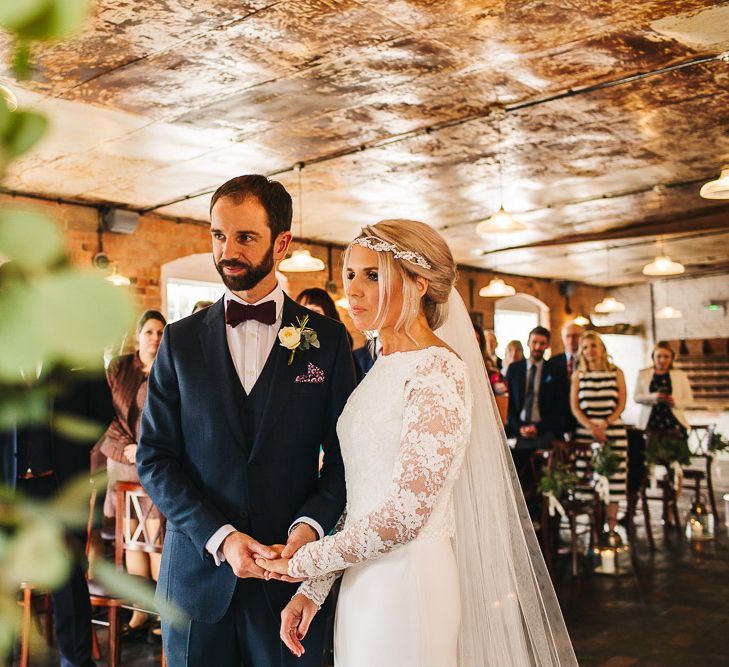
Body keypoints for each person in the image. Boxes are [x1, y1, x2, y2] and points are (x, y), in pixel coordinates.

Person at [257, 220, 576, 666]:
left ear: (418, 283)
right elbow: (364, 497)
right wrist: (314, 588)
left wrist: (301, 563)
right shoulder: (381, 366)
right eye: (350, 274)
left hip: (409, 583)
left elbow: (407, 513)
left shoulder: (437, 372)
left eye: (373, 275)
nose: (355, 290)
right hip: (362, 582)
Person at [136, 174, 356, 667]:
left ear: (282, 243)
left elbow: (347, 462)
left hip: (289, 585)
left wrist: (308, 529)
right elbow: (154, 458)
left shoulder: (326, 340)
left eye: (245, 237)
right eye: (218, 235)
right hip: (195, 581)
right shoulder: (179, 341)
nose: (227, 250)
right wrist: (221, 537)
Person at [1, 368, 114, 667]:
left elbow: (103, 410)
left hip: (60, 485)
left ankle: (75, 660)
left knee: (68, 576)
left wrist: (72, 451)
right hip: (9, 490)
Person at [96, 309, 166, 635]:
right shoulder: (118, 368)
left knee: (155, 541)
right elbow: (104, 412)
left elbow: (171, 420)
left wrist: (144, 450)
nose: (155, 338)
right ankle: (140, 611)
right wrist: (127, 445)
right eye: (149, 331)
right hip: (122, 466)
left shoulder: (169, 370)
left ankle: (164, 614)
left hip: (152, 468)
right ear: (138, 334)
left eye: (160, 332)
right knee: (132, 542)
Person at [570, 331, 628, 530]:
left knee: (614, 478)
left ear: (602, 348)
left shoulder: (615, 371)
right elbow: (575, 407)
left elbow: (621, 402)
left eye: (593, 346)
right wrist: (591, 427)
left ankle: (611, 530)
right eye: (585, 347)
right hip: (587, 433)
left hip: (613, 431)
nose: (590, 351)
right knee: (588, 479)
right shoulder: (579, 375)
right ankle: (592, 529)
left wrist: (605, 423)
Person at [505, 326, 567, 448]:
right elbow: (508, 404)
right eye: (534, 342)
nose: (538, 347)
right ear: (528, 343)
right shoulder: (514, 369)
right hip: (517, 430)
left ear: (547, 345)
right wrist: (519, 428)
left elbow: (560, 406)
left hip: (545, 431)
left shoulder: (556, 370)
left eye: (542, 343)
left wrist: (537, 428)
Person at [635, 341, 693, 437]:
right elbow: (636, 397)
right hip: (651, 423)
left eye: (666, 356)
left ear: (671, 358)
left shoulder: (680, 375)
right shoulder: (643, 374)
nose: (662, 360)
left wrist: (674, 402)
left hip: (674, 423)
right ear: (653, 357)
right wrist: (653, 398)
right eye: (659, 356)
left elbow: (689, 400)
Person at [550, 321, 585, 437]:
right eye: (567, 336)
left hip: (584, 418)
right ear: (562, 338)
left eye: (575, 336)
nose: (571, 340)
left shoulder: (590, 361)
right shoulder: (552, 362)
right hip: (560, 421)